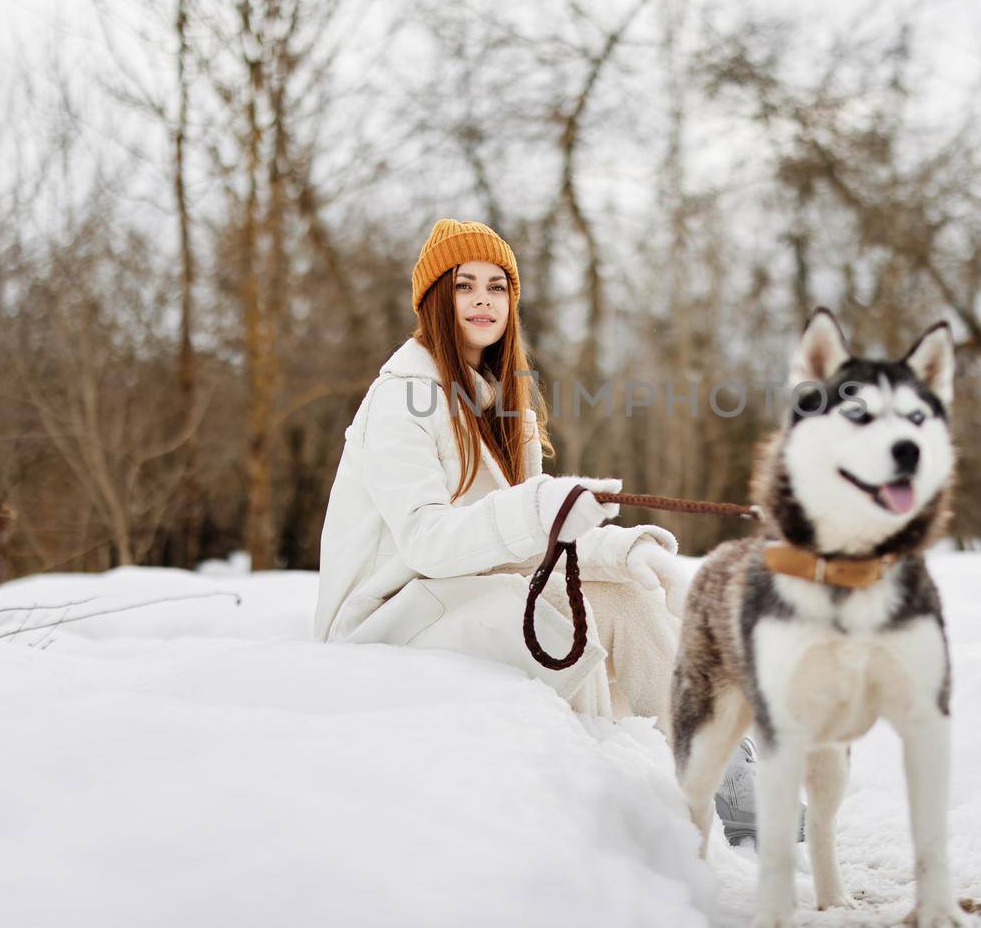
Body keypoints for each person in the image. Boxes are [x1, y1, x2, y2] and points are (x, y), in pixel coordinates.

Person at [313, 218, 787, 842]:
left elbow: (530, 538)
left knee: (629, 598)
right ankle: (587, 801)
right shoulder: (400, 399)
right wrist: (538, 507)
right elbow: (428, 541)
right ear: (434, 301)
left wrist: (624, 551)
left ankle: (719, 767)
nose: (483, 300)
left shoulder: (507, 404)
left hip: (462, 591)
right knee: (535, 615)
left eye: (497, 287)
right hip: (388, 614)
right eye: (463, 287)